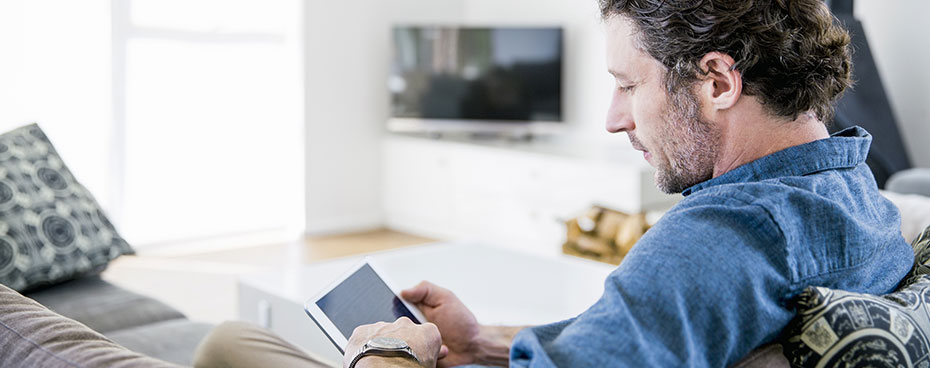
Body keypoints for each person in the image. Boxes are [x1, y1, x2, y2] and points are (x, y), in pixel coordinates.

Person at [194, 0, 915, 367]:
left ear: (719, 82)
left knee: (227, 343)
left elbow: (686, 293)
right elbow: (647, 336)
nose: (612, 119)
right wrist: (484, 343)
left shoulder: (714, 243)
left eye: (627, 85)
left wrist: (390, 354)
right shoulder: (856, 187)